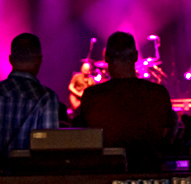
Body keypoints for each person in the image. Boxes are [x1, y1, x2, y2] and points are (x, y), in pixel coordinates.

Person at [74, 31, 175, 172]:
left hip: (105, 178)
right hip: (150, 179)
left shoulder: (92, 96)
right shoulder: (158, 94)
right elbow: (168, 137)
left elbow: (83, 138)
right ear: (135, 56)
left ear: (106, 58)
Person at [0, 32, 60, 165]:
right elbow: (48, 151)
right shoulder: (47, 98)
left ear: (10, 59)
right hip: (28, 182)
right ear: (39, 60)